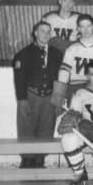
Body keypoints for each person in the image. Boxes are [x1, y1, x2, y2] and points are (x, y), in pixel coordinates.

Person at [13, 21, 62, 168]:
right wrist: (22, 100)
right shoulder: (23, 54)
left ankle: (40, 159)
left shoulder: (57, 54)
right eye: (42, 31)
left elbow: (61, 77)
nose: (45, 34)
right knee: (26, 128)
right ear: (35, 32)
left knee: (46, 128)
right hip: (30, 96)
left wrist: (59, 99)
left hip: (50, 97)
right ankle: (27, 160)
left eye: (48, 31)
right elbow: (19, 79)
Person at [51, 14, 93, 111]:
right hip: (76, 88)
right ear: (78, 28)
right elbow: (64, 71)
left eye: (88, 26)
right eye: (82, 27)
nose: (86, 30)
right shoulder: (72, 47)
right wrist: (59, 93)